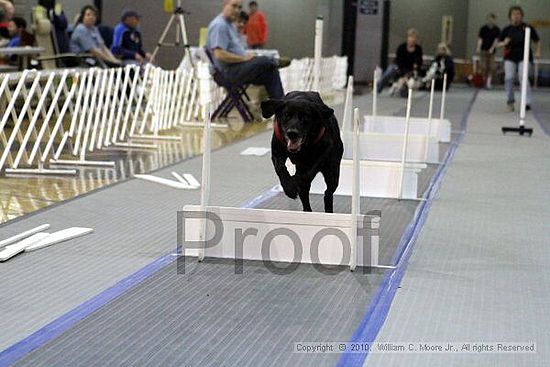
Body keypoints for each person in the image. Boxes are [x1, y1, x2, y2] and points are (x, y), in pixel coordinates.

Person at [206, 0, 284, 100]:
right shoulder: (220, 25)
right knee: (264, 61)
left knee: (271, 72)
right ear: (225, 4)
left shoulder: (230, 25)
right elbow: (219, 55)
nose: (237, 10)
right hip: (228, 73)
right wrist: (244, 58)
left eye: (239, 7)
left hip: (236, 68)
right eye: (234, 6)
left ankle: (281, 109)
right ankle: (274, 61)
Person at [497, 6, 540, 112]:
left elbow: (537, 40)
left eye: (518, 14)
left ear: (521, 16)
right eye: (514, 14)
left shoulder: (527, 27)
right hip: (510, 57)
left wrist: (538, 51)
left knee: (523, 77)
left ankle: (527, 102)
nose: (516, 16)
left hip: (524, 57)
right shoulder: (506, 29)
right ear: (510, 16)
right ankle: (510, 100)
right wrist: (504, 43)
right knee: (509, 77)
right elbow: (498, 43)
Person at [377, 28, 423, 93]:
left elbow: (419, 62)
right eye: (411, 37)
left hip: (409, 69)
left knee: (406, 90)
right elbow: (399, 61)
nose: (412, 39)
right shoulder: (401, 47)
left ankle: (402, 89)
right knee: (389, 72)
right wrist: (402, 74)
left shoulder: (418, 49)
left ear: (416, 39)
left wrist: (411, 73)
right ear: (407, 38)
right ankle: (378, 88)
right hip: (397, 66)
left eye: (414, 38)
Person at [476, 13, 500, 89]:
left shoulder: (497, 29)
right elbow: (480, 39)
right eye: (489, 19)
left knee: (490, 67)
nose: (490, 20)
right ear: (487, 19)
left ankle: (489, 82)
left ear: (494, 20)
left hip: (491, 51)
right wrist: (478, 47)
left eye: (492, 19)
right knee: (483, 66)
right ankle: (484, 81)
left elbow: (496, 40)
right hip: (483, 50)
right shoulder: (483, 28)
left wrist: (492, 48)